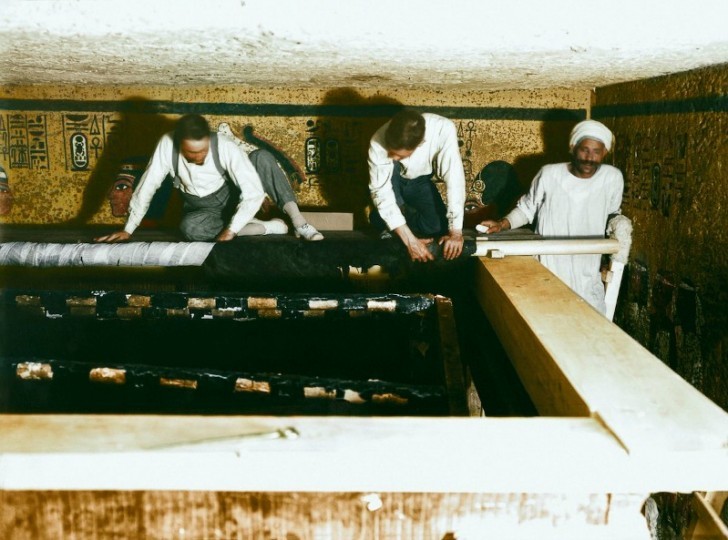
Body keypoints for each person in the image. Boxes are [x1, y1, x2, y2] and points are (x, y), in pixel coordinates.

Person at [95, 114, 323, 243]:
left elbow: (252, 191)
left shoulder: (224, 146)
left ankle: (298, 223)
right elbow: (148, 185)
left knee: (261, 157)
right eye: (191, 153)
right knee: (190, 229)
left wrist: (231, 231)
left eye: (202, 151)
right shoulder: (167, 145)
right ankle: (266, 228)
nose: (198, 157)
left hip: (231, 194)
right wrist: (129, 228)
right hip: (201, 207)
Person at [479, 119, 624, 314]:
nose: (589, 158)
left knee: (589, 325)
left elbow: (612, 215)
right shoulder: (550, 175)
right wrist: (502, 224)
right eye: (584, 150)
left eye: (596, 152)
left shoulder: (612, 178)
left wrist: (618, 243)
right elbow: (527, 209)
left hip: (587, 274)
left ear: (604, 153)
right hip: (550, 270)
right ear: (573, 147)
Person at [368, 110, 465, 262]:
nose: (394, 157)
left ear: (420, 143)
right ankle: (389, 220)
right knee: (390, 168)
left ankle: (388, 221)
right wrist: (410, 241)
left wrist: (456, 232)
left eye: (400, 156)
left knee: (437, 227)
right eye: (392, 152)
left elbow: (455, 179)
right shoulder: (377, 141)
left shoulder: (443, 129)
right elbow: (381, 191)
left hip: (419, 181)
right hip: (392, 179)